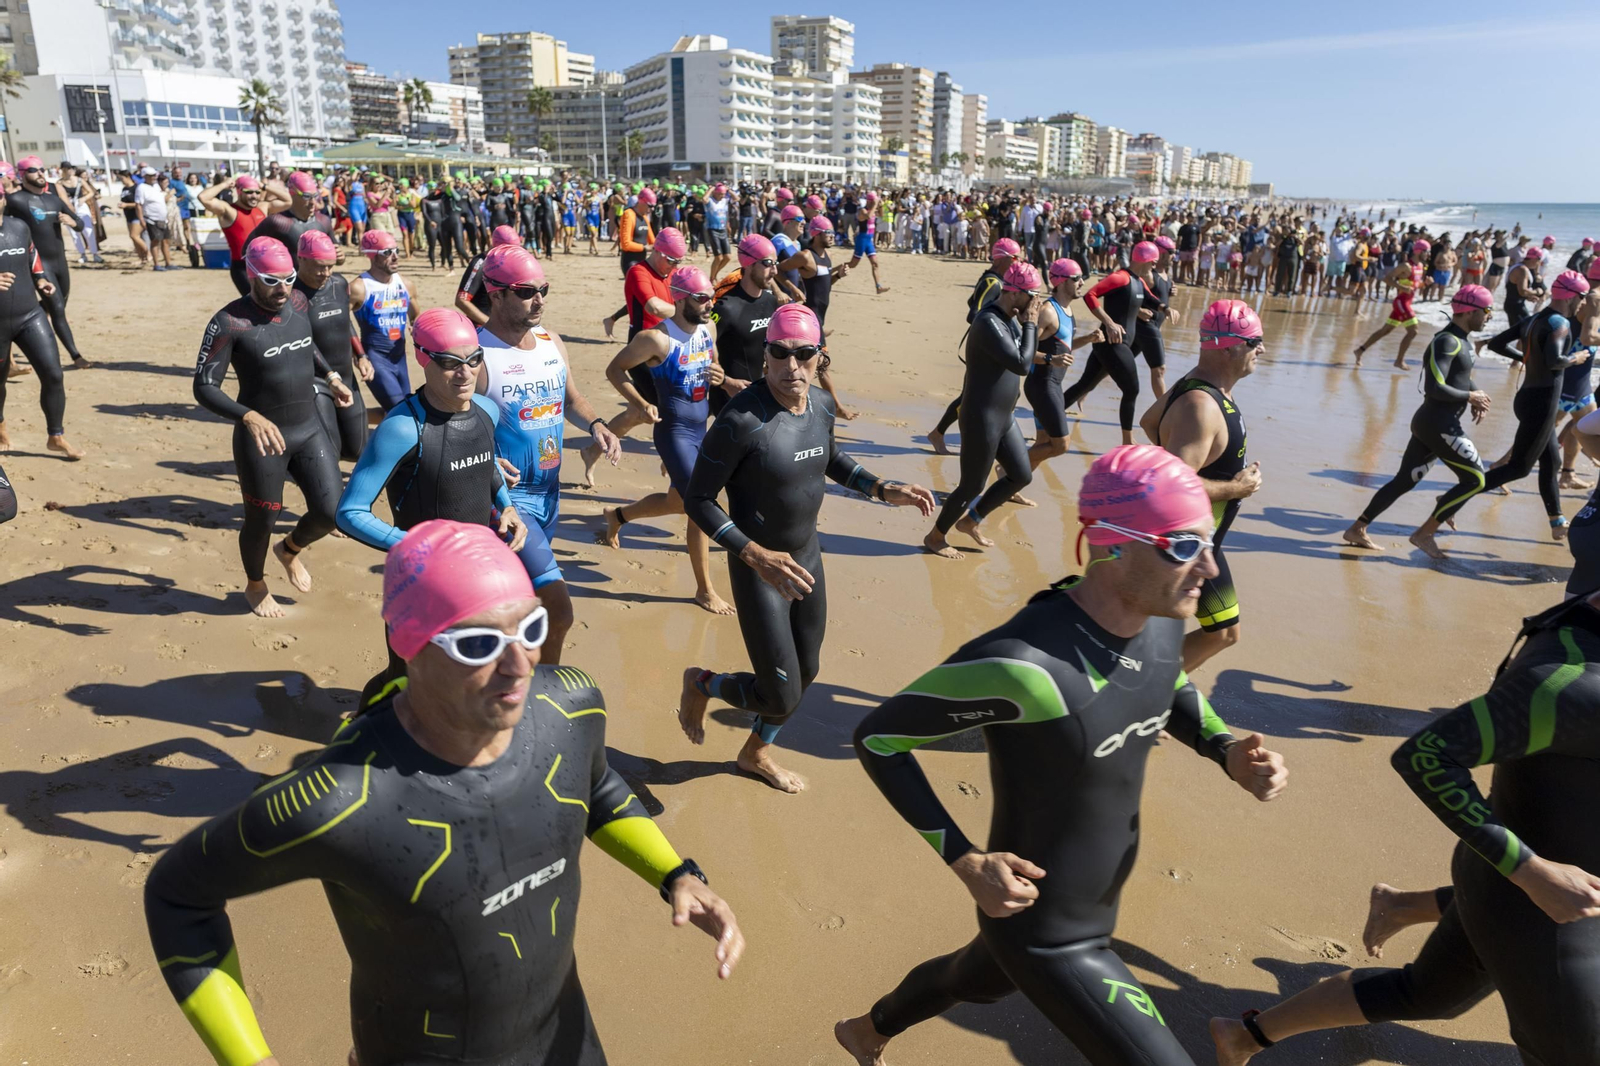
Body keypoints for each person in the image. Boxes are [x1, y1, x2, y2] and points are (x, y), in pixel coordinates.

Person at [145, 518, 744, 1066]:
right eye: (479, 644)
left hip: (569, 1042)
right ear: (410, 645)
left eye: (531, 628)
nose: (519, 664)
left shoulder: (570, 706)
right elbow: (179, 896)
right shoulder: (341, 797)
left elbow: (595, 782)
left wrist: (676, 873)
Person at [836, 445, 1289, 1066]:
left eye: (1208, 544)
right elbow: (879, 739)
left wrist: (1226, 746)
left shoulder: (1155, 614)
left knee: (968, 979)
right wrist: (966, 860)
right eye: (1184, 547)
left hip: (1095, 901)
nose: (1209, 568)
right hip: (1049, 932)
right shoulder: (1025, 666)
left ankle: (867, 1030)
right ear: (1112, 545)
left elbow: (1163, 679)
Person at [1209, 592, 1600, 1066]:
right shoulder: (1572, 684)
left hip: (1517, 883)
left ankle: (1244, 1036)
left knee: (1428, 994)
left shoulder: (1577, 633)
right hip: (1541, 909)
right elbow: (1424, 755)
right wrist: (1531, 871)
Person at [677, 304, 935, 792]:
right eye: (779, 353)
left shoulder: (821, 405)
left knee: (808, 670)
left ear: (820, 356)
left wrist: (882, 488)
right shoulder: (741, 420)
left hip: (805, 556)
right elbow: (698, 500)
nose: (791, 366)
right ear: (764, 354)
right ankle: (702, 684)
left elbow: (830, 456)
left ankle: (754, 754)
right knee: (778, 692)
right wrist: (754, 555)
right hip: (758, 567)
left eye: (803, 354)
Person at [336, 307, 535, 690]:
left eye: (473, 360)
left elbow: (484, 467)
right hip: (422, 587)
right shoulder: (401, 429)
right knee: (406, 682)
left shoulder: (486, 410)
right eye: (449, 363)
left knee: (474, 681)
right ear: (423, 359)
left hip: (478, 577)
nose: (465, 373)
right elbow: (350, 512)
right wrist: (424, 550)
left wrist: (506, 506)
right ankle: (363, 738)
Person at [193, 239, 353, 618]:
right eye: (271, 280)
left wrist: (330, 376)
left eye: (289, 278)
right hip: (263, 438)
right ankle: (255, 583)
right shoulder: (229, 322)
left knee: (332, 513)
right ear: (251, 275)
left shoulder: (298, 302)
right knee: (263, 518)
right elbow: (203, 386)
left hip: (307, 426)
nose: (283, 289)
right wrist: (247, 416)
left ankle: (290, 549)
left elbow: (306, 342)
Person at [476, 246, 621, 659]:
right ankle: (544, 695)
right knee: (558, 610)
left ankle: (502, 678)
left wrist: (596, 425)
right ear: (496, 292)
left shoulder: (551, 342)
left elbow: (571, 398)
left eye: (544, 289)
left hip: (551, 494)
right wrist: (486, 464)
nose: (539, 299)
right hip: (508, 502)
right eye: (526, 291)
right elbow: (453, 429)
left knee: (523, 604)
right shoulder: (479, 355)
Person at [598, 265, 734, 615]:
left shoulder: (709, 328)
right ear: (681, 298)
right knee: (701, 507)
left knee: (679, 501)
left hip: (700, 429)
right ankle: (705, 590)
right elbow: (614, 370)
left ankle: (618, 516)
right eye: (703, 298)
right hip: (673, 432)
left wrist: (722, 377)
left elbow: (712, 368)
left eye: (711, 297)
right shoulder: (656, 339)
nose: (709, 304)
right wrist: (641, 403)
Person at [1139, 300, 1265, 670]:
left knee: (1222, 632)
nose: (1262, 348)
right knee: (1213, 633)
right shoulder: (1202, 405)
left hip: (1200, 545)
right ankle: (1143, 701)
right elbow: (1170, 489)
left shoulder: (1201, 386)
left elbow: (1150, 421)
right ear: (1229, 347)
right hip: (1181, 550)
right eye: (1255, 340)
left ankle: (1149, 698)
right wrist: (1234, 489)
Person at [1342, 286, 1496, 558]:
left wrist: (1476, 394)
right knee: (1475, 479)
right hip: (1439, 424)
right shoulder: (1446, 341)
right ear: (1470, 311)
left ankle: (1357, 529)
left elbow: (1459, 377)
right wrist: (1469, 395)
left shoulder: (1462, 340)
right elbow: (1434, 387)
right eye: (1486, 311)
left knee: (1404, 481)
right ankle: (1424, 533)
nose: (1489, 317)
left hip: (1434, 424)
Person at [1458, 270, 1596, 544]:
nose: (1583, 303)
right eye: (1581, 299)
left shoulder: (1538, 317)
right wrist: (1576, 357)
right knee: (1520, 466)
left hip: (1532, 396)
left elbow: (1497, 343)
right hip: (1543, 400)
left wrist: (1526, 357)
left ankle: (1557, 523)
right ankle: (1454, 498)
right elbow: (1557, 360)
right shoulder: (1562, 321)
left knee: (1551, 460)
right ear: (1574, 295)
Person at [924, 262, 1043, 560]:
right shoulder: (988, 321)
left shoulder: (1010, 318)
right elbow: (1020, 364)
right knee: (972, 484)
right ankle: (936, 536)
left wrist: (1047, 355)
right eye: (1033, 295)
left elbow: (1023, 353)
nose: (1036, 302)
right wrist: (1031, 323)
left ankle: (970, 520)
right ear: (1015, 294)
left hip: (1004, 417)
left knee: (1020, 475)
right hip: (982, 416)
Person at [584, 229, 689, 483]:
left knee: (636, 413)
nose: (675, 266)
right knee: (664, 409)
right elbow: (652, 305)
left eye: (679, 262)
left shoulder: (671, 273)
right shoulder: (638, 271)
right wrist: (688, 311)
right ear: (657, 252)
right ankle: (674, 462)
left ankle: (591, 451)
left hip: (665, 349)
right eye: (671, 260)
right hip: (640, 353)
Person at [927, 238, 1026, 456]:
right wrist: (998, 325)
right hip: (986, 348)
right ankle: (941, 433)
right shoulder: (993, 282)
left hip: (993, 344)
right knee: (972, 396)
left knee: (1001, 393)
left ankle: (943, 433)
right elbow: (974, 314)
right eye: (1015, 258)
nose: (1018, 262)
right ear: (1004, 259)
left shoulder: (997, 280)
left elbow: (973, 302)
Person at [0, 206, 83, 458]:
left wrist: (41, 279)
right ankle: (0, 424)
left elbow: (31, 254)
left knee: (53, 374)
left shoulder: (18, 226)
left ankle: (55, 436)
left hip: (29, 315)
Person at [1062, 241, 1162, 447]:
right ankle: (1127, 440)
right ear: (1143, 260)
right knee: (1132, 389)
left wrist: (1165, 309)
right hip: (1112, 344)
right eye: (1153, 263)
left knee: (1085, 384)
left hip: (1113, 344)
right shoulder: (1120, 277)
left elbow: (1150, 299)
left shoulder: (1137, 281)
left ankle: (1047, 414)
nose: (1154, 267)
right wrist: (1108, 322)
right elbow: (1090, 295)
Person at [1019, 258, 1096, 484]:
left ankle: (1011, 482)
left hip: (1051, 384)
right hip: (1041, 386)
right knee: (1061, 444)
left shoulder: (1066, 310)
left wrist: (1089, 339)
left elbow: (1063, 346)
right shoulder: (1048, 312)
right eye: (1076, 278)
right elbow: (1024, 352)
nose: (1082, 282)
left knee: (1043, 442)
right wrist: (1052, 359)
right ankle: (1008, 465)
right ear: (1062, 282)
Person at [295, 229, 369, 461]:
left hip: (346, 377)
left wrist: (361, 355)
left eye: (330, 265)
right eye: (319, 266)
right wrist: (329, 377)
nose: (325, 272)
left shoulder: (338, 283)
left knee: (358, 449)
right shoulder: (293, 294)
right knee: (331, 451)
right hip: (316, 381)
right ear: (300, 259)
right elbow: (304, 340)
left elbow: (344, 322)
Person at [6, 156, 89, 365]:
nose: (41, 173)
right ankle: (76, 356)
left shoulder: (53, 199)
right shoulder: (15, 201)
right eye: (34, 170)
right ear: (22, 175)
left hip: (60, 263)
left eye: (42, 169)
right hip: (39, 264)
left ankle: (27, 322)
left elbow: (79, 223)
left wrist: (73, 222)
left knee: (58, 306)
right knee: (58, 309)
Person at [782, 217, 857, 418]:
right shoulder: (806, 256)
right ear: (816, 234)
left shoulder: (827, 256)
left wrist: (838, 275)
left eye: (833, 233)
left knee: (814, 362)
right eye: (828, 233)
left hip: (820, 317)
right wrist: (792, 287)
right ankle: (838, 408)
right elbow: (778, 269)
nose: (832, 236)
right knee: (823, 365)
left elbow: (824, 286)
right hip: (810, 317)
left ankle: (790, 395)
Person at [349, 228, 419, 420]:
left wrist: (414, 324)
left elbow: (415, 314)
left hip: (399, 359)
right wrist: (358, 354)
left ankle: (350, 422)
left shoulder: (406, 284)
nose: (395, 257)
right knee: (403, 412)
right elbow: (339, 320)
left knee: (403, 410)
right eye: (387, 253)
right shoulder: (359, 287)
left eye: (396, 251)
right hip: (375, 360)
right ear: (372, 256)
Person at [710, 234, 781, 418]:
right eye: (767, 263)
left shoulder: (770, 301)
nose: (774, 271)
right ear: (749, 264)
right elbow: (699, 352)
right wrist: (726, 382)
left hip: (759, 395)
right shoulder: (726, 308)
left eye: (775, 263)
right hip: (728, 401)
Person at [200, 174, 280, 296]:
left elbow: (288, 200)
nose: (254, 196)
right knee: (255, 303)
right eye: (249, 192)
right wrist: (225, 184)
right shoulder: (229, 211)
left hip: (264, 264)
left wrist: (264, 186)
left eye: (257, 192)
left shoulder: (262, 207)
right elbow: (203, 197)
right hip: (242, 268)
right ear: (239, 192)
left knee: (270, 303)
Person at [1353, 239, 1430, 367]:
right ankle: (1399, 360)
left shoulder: (1420, 266)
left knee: (1385, 330)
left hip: (1407, 303)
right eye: (1426, 251)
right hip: (1401, 302)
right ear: (1418, 251)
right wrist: (1400, 286)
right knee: (1413, 331)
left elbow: (1415, 285)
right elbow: (1386, 279)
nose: (1428, 254)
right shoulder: (1405, 266)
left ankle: (1359, 351)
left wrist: (1425, 284)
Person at [242, 170, 335, 266]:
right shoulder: (278, 222)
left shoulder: (324, 221)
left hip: (318, 278)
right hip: (288, 279)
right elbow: (246, 253)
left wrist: (339, 256)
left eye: (315, 196)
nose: (313, 202)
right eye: (306, 196)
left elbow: (336, 256)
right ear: (292, 193)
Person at [454, 224, 523, 327]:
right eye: (509, 250)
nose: (512, 254)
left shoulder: (509, 263)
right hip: (482, 329)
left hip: (505, 327)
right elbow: (461, 300)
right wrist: (490, 325)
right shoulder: (480, 263)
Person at [1132, 236, 1175, 400]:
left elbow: (1159, 297)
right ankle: (1164, 410)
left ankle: (1084, 392)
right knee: (1159, 369)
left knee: (1112, 365)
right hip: (1146, 326)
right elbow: (1129, 296)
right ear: (1161, 252)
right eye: (1171, 252)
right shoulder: (1149, 275)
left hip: (1151, 327)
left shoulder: (1165, 275)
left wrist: (1169, 291)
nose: (1173, 255)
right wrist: (1138, 311)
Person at [847, 191, 890, 294]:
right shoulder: (863, 210)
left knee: (875, 264)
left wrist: (879, 206)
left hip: (869, 240)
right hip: (862, 239)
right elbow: (868, 216)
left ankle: (878, 286)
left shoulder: (872, 209)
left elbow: (881, 215)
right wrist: (875, 205)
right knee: (853, 264)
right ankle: (834, 270)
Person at [618, 187, 656, 277]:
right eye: (650, 206)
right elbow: (625, 244)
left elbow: (653, 242)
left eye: (654, 207)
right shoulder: (628, 214)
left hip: (642, 261)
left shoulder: (645, 218)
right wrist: (645, 247)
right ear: (642, 202)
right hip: (630, 261)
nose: (651, 209)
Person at [704, 183, 733, 280]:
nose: (722, 196)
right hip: (712, 229)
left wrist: (729, 190)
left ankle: (714, 274)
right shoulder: (710, 201)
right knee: (718, 257)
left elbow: (737, 199)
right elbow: (704, 199)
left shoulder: (724, 201)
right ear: (716, 193)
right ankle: (712, 277)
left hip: (723, 229)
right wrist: (711, 190)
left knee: (728, 257)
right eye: (721, 194)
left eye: (724, 194)